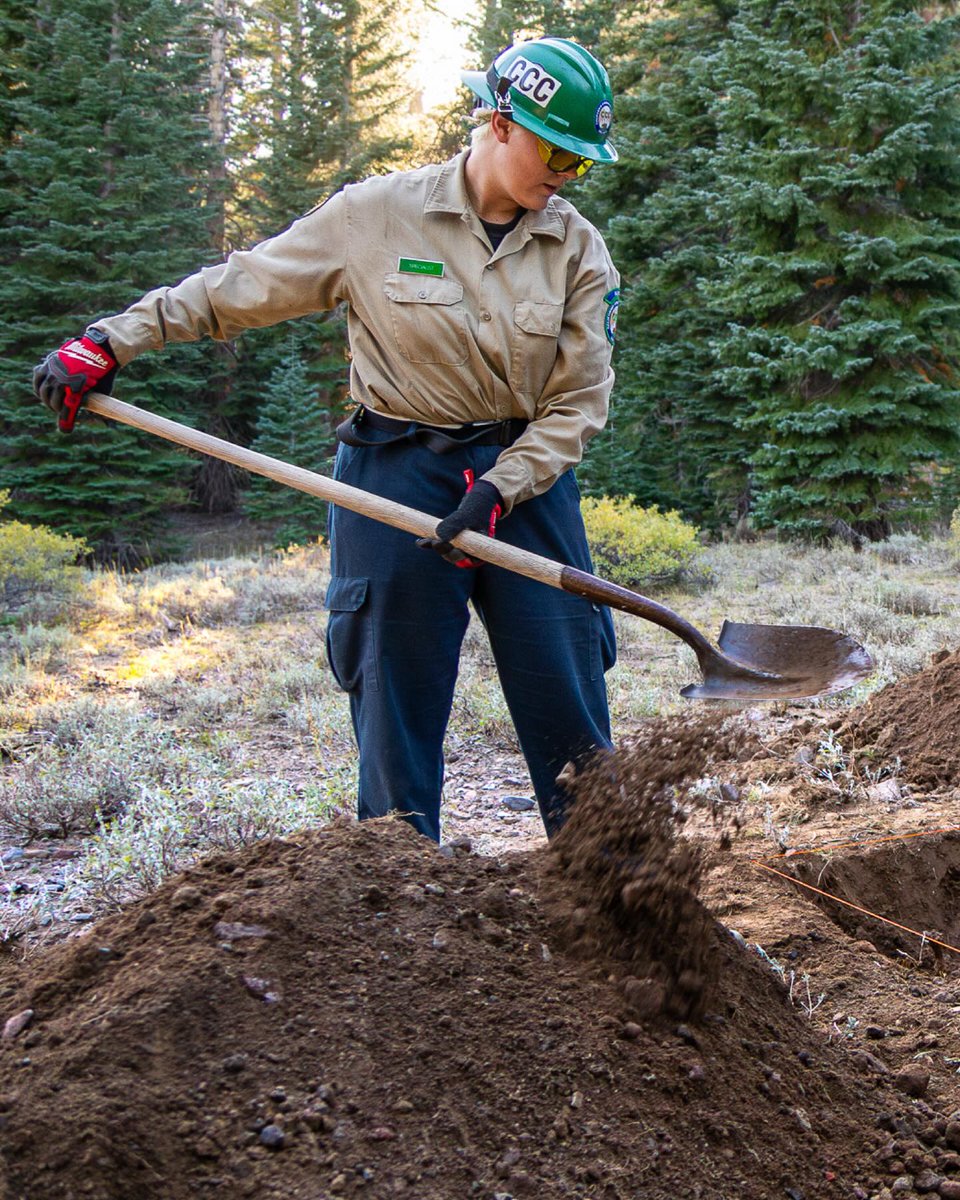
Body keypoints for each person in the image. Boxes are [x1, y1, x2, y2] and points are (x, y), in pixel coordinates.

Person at [33, 37, 621, 844]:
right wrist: (111, 340)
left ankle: (611, 886)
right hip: (394, 475)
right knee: (393, 703)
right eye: (558, 152)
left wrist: (502, 486)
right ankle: (397, 887)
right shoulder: (372, 215)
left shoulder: (579, 249)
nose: (567, 175)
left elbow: (579, 401)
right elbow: (238, 288)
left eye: (582, 162)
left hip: (525, 485)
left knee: (569, 693)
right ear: (499, 121)